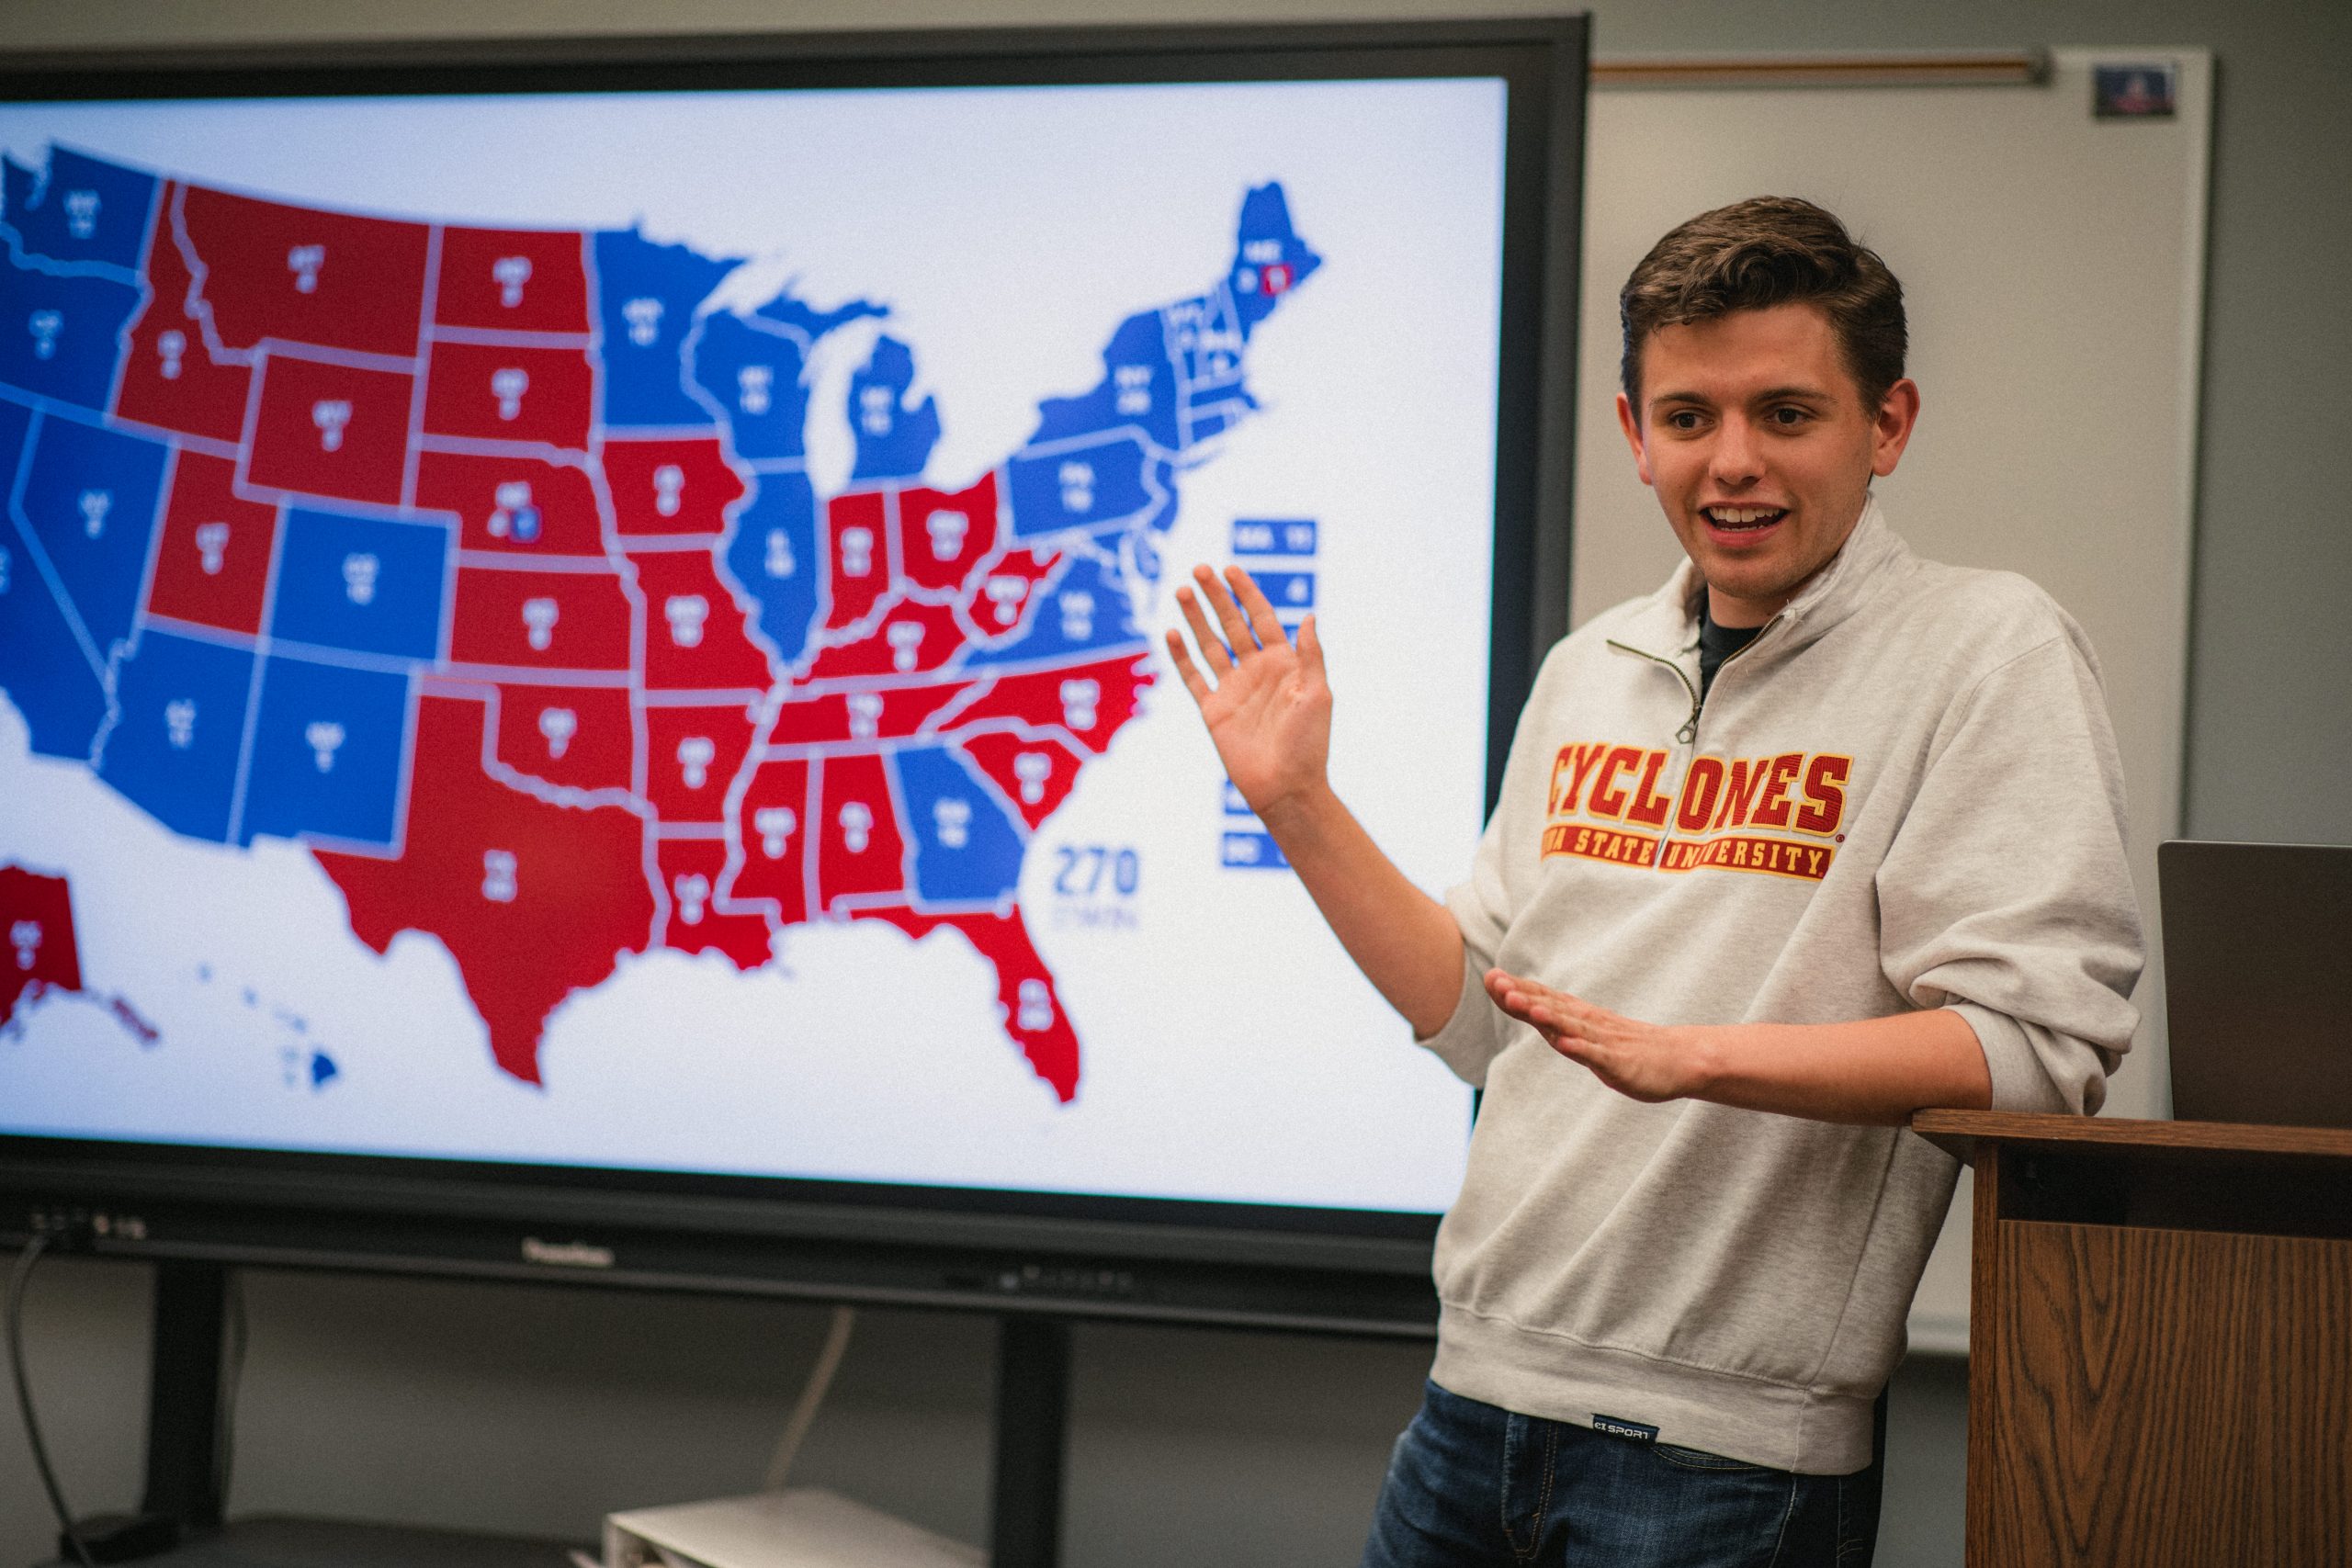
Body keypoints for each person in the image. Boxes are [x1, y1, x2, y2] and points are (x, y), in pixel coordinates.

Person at [1164, 197, 2143, 1566]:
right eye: (1688, 418)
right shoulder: (1591, 667)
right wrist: (1296, 804)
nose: (1731, 462)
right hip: (1473, 1401)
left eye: (1787, 414)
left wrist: (1703, 1058)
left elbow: (2035, 1052)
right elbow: (1479, 1016)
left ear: (1889, 425)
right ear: (1636, 435)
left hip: (1723, 1459)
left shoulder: (1985, 652)